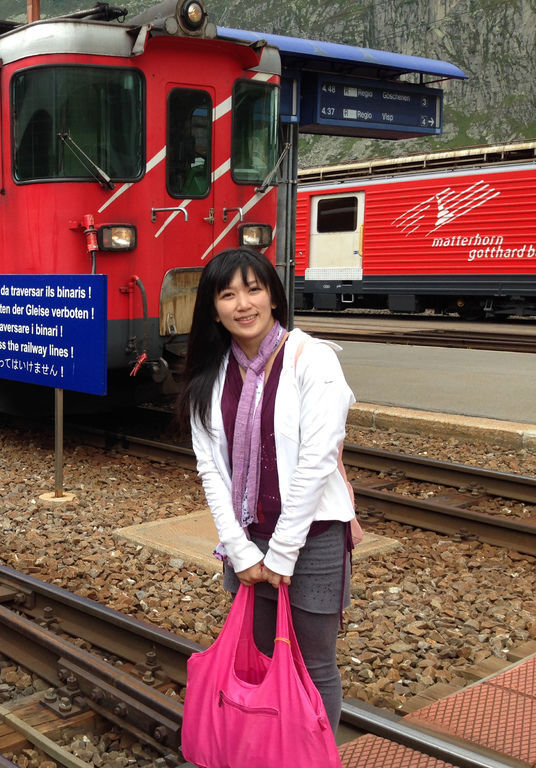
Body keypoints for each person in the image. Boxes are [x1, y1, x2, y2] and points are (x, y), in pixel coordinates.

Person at [175, 247, 356, 733]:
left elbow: (317, 461)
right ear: (213, 309)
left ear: (274, 297)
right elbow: (211, 470)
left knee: (314, 665)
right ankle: (267, 749)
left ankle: (313, 759)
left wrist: (282, 553)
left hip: (314, 538)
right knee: (258, 659)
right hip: (249, 541)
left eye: (253, 289)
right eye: (227, 294)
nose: (243, 304)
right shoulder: (210, 376)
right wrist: (239, 549)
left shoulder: (312, 359)